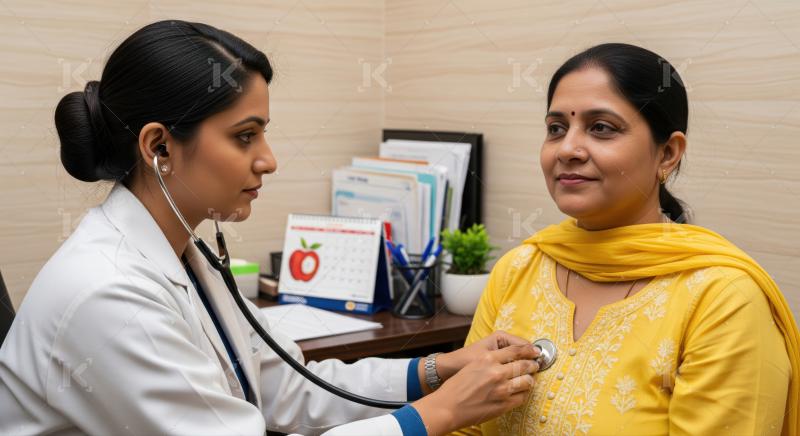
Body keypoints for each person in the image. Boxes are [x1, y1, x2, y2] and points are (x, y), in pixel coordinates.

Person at [0, 20, 542, 436]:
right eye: (245, 136)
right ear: (158, 146)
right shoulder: (108, 293)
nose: (269, 159)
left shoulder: (185, 256)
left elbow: (285, 385)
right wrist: (439, 413)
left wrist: (436, 369)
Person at [454, 43, 799, 435]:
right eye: (556, 129)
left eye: (601, 128)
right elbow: (463, 422)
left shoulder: (722, 300)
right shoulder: (519, 268)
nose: (567, 149)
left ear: (668, 154)